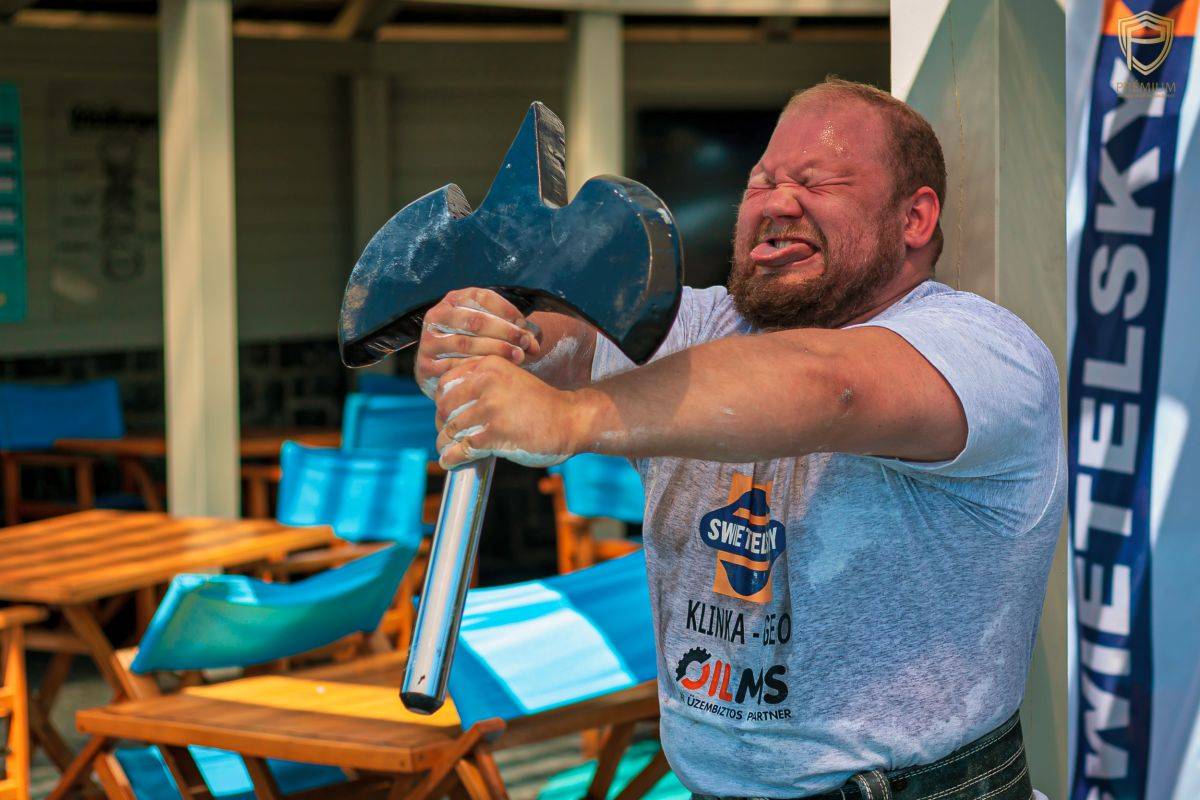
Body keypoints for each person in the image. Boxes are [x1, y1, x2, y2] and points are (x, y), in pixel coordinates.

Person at [414, 78, 1064, 800]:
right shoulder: (700, 326)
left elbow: (832, 387)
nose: (777, 203)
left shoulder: (983, 350)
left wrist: (571, 418)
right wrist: (484, 343)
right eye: (761, 182)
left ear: (914, 218)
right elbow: (562, 349)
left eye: (817, 182)